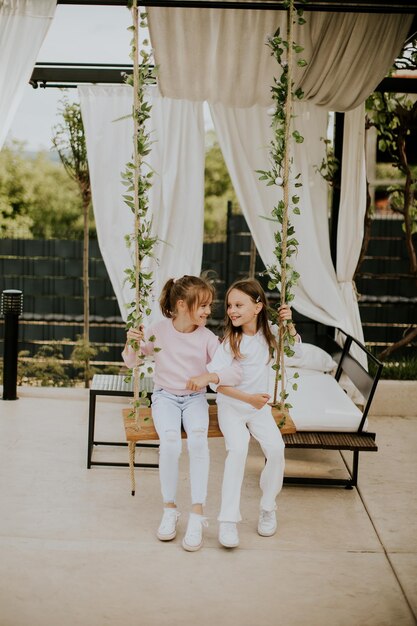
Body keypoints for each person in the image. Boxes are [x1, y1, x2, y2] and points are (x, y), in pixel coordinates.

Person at [122, 275, 241, 552]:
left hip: (195, 399)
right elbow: (132, 362)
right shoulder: (159, 330)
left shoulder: (208, 338)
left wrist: (208, 376)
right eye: (203, 305)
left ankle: (197, 515)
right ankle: (169, 509)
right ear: (181, 305)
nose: (208, 311)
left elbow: (233, 371)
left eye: (209, 305)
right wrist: (132, 342)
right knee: (171, 444)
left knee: (198, 440)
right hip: (164, 397)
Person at [189, 278, 301, 549]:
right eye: (229, 305)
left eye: (239, 305)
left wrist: (290, 324)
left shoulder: (272, 333)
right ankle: (228, 520)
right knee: (237, 451)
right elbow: (218, 384)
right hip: (233, 407)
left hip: (257, 408)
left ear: (258, 307)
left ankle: (267, 506)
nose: (232, 311)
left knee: (276, 449)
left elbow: (294, 352)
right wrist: (248, 398)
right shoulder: (230, 342)